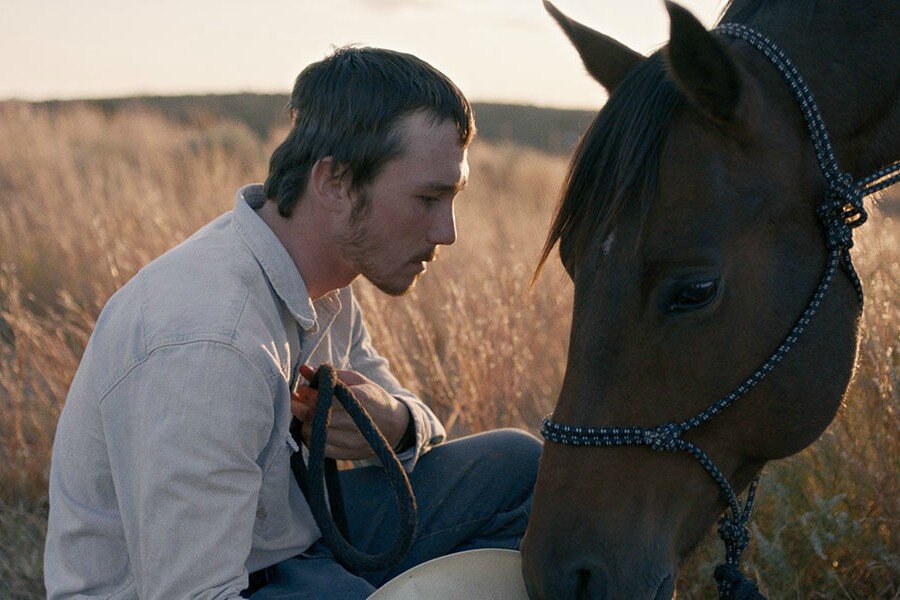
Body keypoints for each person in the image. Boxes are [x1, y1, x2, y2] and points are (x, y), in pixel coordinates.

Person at [44, 47, 542, 599]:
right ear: (334, 182)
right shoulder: (211, 343)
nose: (447, 232)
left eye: (453, 197)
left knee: (524, 471)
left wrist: (393, 422)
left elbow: (417, 427)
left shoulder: (324, 279)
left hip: (287, 539)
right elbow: (193, 591)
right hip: (206, 584)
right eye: (427, 198)